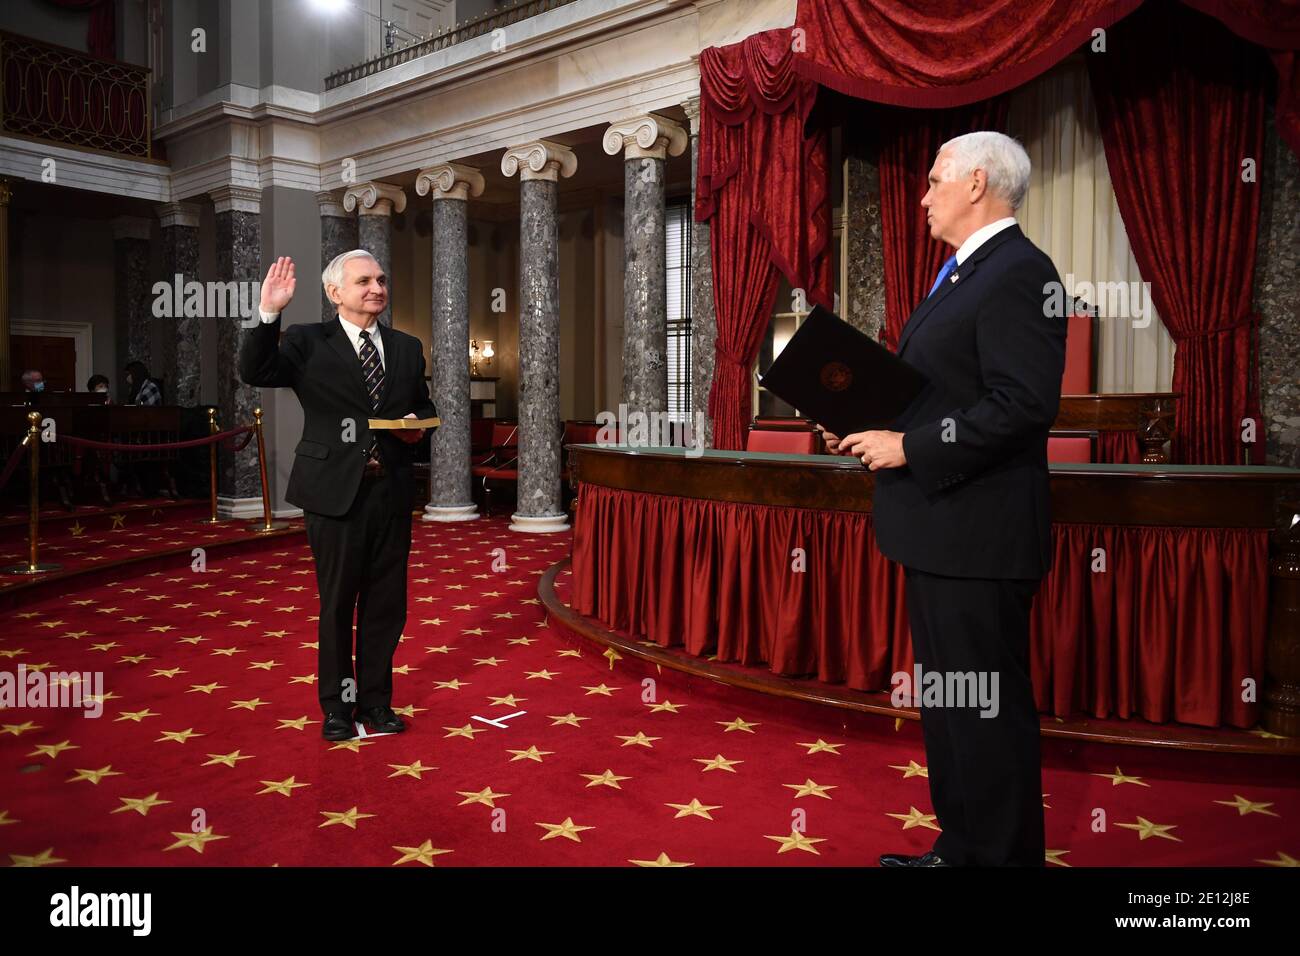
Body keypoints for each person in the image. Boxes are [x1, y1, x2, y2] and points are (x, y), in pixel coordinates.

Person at [822, 132, 1066, 867]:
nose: (922, 195)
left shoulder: (1020, 271)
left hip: (979, 536)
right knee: (955, 710)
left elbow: (1024, 405)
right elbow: (937, 394)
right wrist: (871, 425)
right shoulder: (961, 274)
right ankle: (962, 851)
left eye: (933, 181)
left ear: (976, 183)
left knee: (985, 714)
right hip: (938, 529)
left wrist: (910, 448)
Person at [239, 250, 436, 741]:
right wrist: (268, 313)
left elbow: (423, 408)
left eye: (381, 279)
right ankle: (338, 708)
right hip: (333, 492)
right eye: (364, 280)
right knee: (338, 603)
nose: (377, 288)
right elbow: (256, 371)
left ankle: (376, 704)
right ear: (335, 292)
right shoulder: (307, 341)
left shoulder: (407, 346)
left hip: (390, 491)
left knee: (386, 605)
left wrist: (418, 427)